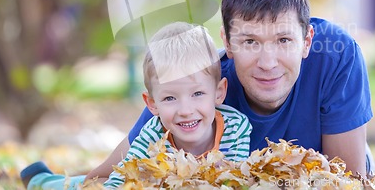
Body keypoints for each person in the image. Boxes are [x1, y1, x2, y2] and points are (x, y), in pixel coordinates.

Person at [21, 0, 374, 188]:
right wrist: (73, 181)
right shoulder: (198, 85)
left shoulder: (336, 54)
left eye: (283, 40)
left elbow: (352, 178)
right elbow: (122, 167)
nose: (268, 62)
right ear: (227, 43)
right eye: (250, 41)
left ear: (306, 40)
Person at [22, 22, 252, 189]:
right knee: (88, 186)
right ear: (151, 104)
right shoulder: (152, 135)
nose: (185, 109)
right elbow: (121, 178)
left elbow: (236, 180)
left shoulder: (236, 127)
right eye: (170, 98)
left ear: (219, 92)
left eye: (198, 94)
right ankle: (43, 182)